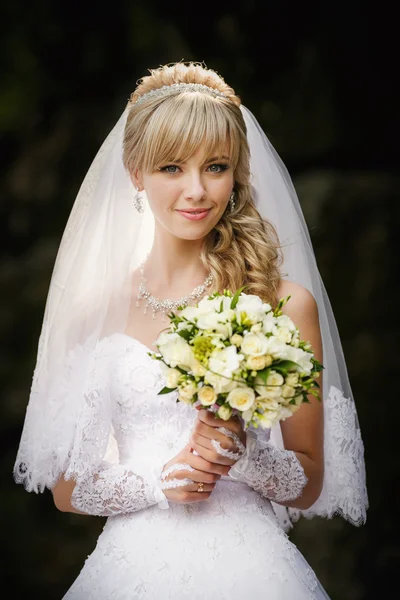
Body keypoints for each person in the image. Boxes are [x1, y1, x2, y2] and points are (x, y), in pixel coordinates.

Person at [14, 62, 368, 599]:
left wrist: (242, 453)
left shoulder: (283, 304)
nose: (197, 190)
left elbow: (309, 478)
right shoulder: (95, 310)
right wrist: (161, 483)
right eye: (172, 168)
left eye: (217, 166)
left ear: (238, 174)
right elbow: (68, 488)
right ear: (136, 172)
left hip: (254, 569)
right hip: (129, 570)